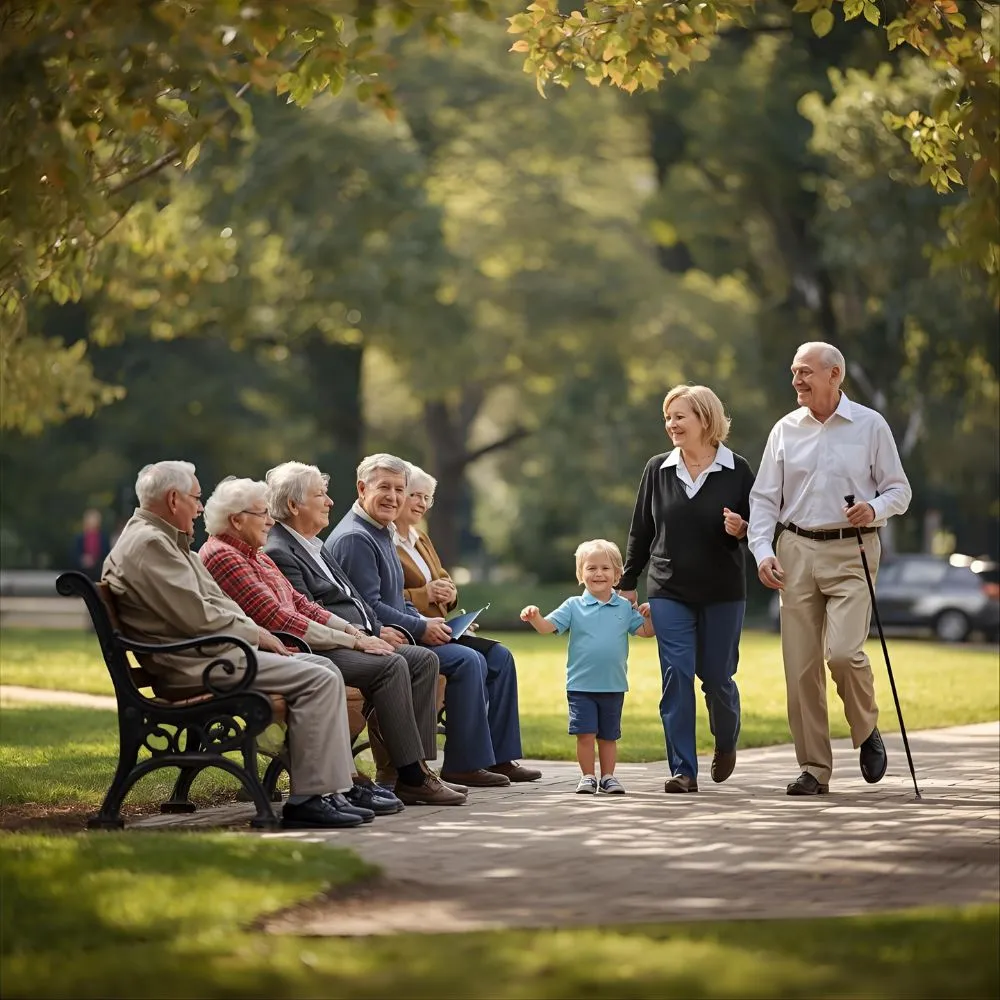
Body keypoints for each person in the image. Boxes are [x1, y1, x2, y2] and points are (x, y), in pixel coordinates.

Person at [101, 460, 372, 829]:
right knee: (320, 677)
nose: (200, 508)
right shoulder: (151, 544)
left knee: (322, 668)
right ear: (174, 498)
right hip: (195, 667)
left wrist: (256, 633)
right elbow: (198, 615)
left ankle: (332, 792)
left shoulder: (165, 541)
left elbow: (217, 604)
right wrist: (258, 634)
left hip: (209, 658)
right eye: (196, 499)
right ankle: (310, 798)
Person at [198, 476, 463, 808]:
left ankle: (411, 771)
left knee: (417, 660)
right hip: (292, 649)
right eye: (262, 514)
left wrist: (355, 634)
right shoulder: (228, 556)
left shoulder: (257, 555)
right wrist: (355, 641)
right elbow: (280, 619)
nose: (269, 520)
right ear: (237, 520)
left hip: (301, 647)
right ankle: (398, 776)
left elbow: (303, 604)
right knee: (389, 665)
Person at [749, 342, 912, 796]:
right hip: (795, 550)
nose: (797, 381)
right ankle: (814, 769)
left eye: (805, 372)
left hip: (853, 550)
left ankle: (866, 728)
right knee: (800, 668)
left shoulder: (870, 425)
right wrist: (763, 550)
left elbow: (900, 490)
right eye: (794, 372)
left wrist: (874, 507)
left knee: (842, 653)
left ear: (835, 375)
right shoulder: (784, 429)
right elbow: (764, 499)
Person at [326, 453, 541, 788]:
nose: (395, 497)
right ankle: (457, 766)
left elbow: (397, 597)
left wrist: (434, 622)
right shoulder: (357, 537)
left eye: (400, 488)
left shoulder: (379, 530)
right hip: (385, 639)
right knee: (468, 661)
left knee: (498, 655)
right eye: (386, 487)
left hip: (411, 630)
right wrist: (422, 625)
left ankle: (491, 758)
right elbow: (369, 607)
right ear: (361, 488)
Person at [619, 385, 756, 794]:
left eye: (680, 416)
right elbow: (641, 530)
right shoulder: (657, 468)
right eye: (668, 417)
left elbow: (762, 527)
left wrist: (743, 529)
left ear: (705, 420)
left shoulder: (738, 470)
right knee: (676, 675)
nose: (671, 425)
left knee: (717, 678)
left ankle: (726, 738)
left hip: (723, 591)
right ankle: (683, 770)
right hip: (668, 589)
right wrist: (628, 581)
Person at [520, 539, 654, 795]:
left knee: (608, 737)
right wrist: (534, 617)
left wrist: (652, 616)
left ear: (617, 575)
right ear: (581, 574)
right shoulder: (573, 606)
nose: (598, 573)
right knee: (585, 734)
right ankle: (588, 777)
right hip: (580, 685)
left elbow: (647, 632)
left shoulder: (625, 607)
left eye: (605, 568)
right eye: (591, 568)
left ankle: (609, 777)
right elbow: (548, 627)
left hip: (613, 684)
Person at [73, 508, 110, 582]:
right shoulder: (79, 538)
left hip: (98, 570)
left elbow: (107, 555)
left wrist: (95, 560)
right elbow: (74, 555)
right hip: (82, 570)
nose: (93, 521)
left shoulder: (103, 538)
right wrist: (83, 560)